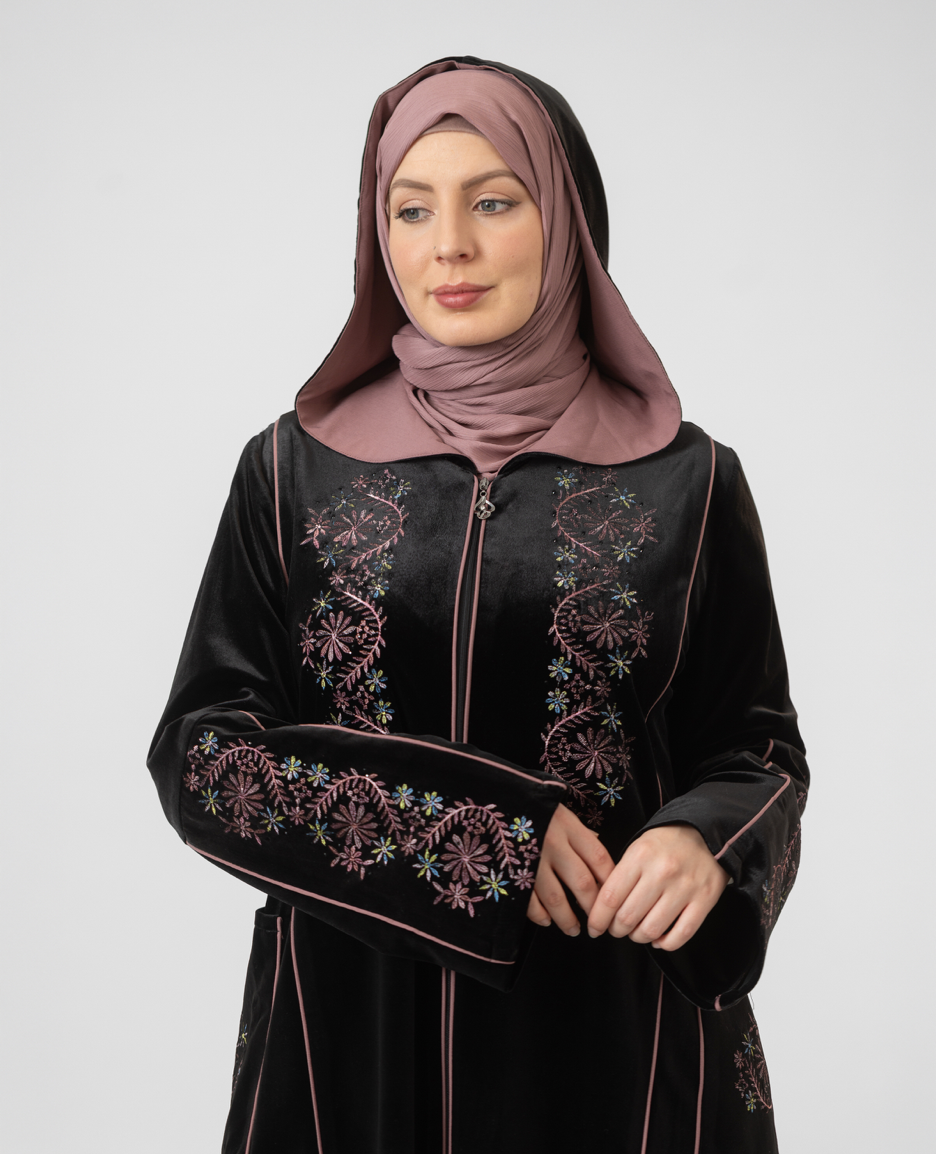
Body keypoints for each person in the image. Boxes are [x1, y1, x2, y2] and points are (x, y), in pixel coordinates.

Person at [148, 56, 808, 1154]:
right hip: (349, 1051)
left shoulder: (687, 481)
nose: (447, 245)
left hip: (620, 1049)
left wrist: (708, 843)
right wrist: (479, 833)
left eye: (493, 202)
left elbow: (760, 750)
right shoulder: (289, 472)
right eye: (411, 209)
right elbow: (203, 760)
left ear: (565, 222)